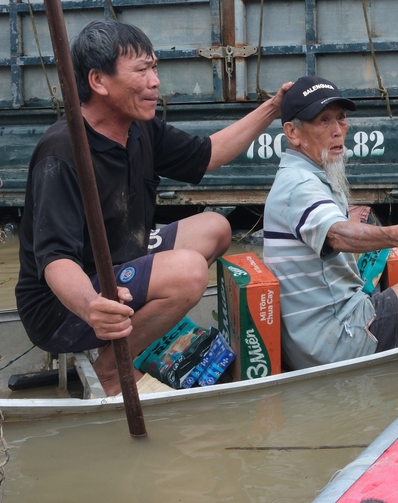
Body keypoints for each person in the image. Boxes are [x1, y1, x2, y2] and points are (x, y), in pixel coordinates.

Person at [16, 20, 292, 395]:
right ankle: (112, 371)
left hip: (117, 261)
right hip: (63, 307)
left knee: (215, 227)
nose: (155, 81)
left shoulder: (137, 127)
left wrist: (273, 108)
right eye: (142, 70)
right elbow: (55, 260)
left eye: (154, 68)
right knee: (189, 272)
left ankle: (140, 333)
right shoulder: (63, 152)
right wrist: (91, 306)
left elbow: (206, 155)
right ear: (99, 81)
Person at [263, 76, 398, 369]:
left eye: (341, 119)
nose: (338, 131)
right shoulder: (299, 185)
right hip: (333, 341)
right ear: (293, 133)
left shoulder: (307, 174)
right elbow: (338, 235)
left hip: (312, 334)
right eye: (323, 121)